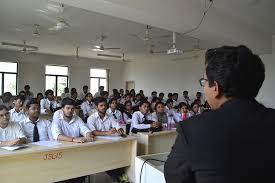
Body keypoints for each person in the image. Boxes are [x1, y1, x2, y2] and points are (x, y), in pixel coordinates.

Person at [164, 45, 275, 183]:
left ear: (215, 88)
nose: (203, 87)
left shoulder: (193, 129)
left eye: (204, 82)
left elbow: (174, 177)